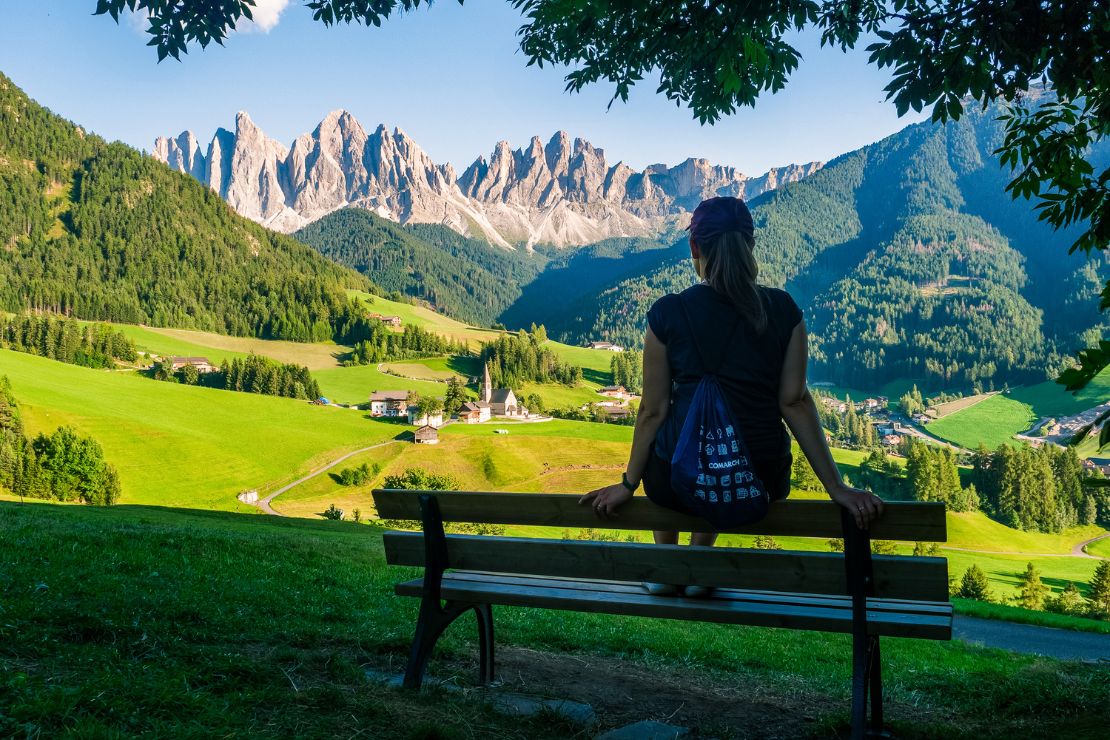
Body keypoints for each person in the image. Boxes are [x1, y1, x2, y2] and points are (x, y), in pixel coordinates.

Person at [579, 196, 883, 596]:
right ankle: (701, 564)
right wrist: (837, 487)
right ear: (751, 245)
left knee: (676, 453)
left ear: (695, 248)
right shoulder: (785, 310)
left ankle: (670, 567)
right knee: (730, 456)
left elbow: (653, 411)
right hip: (758, 479)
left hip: (675, 482)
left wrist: (628, 483)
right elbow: (794, 402)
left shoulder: (667, 314)